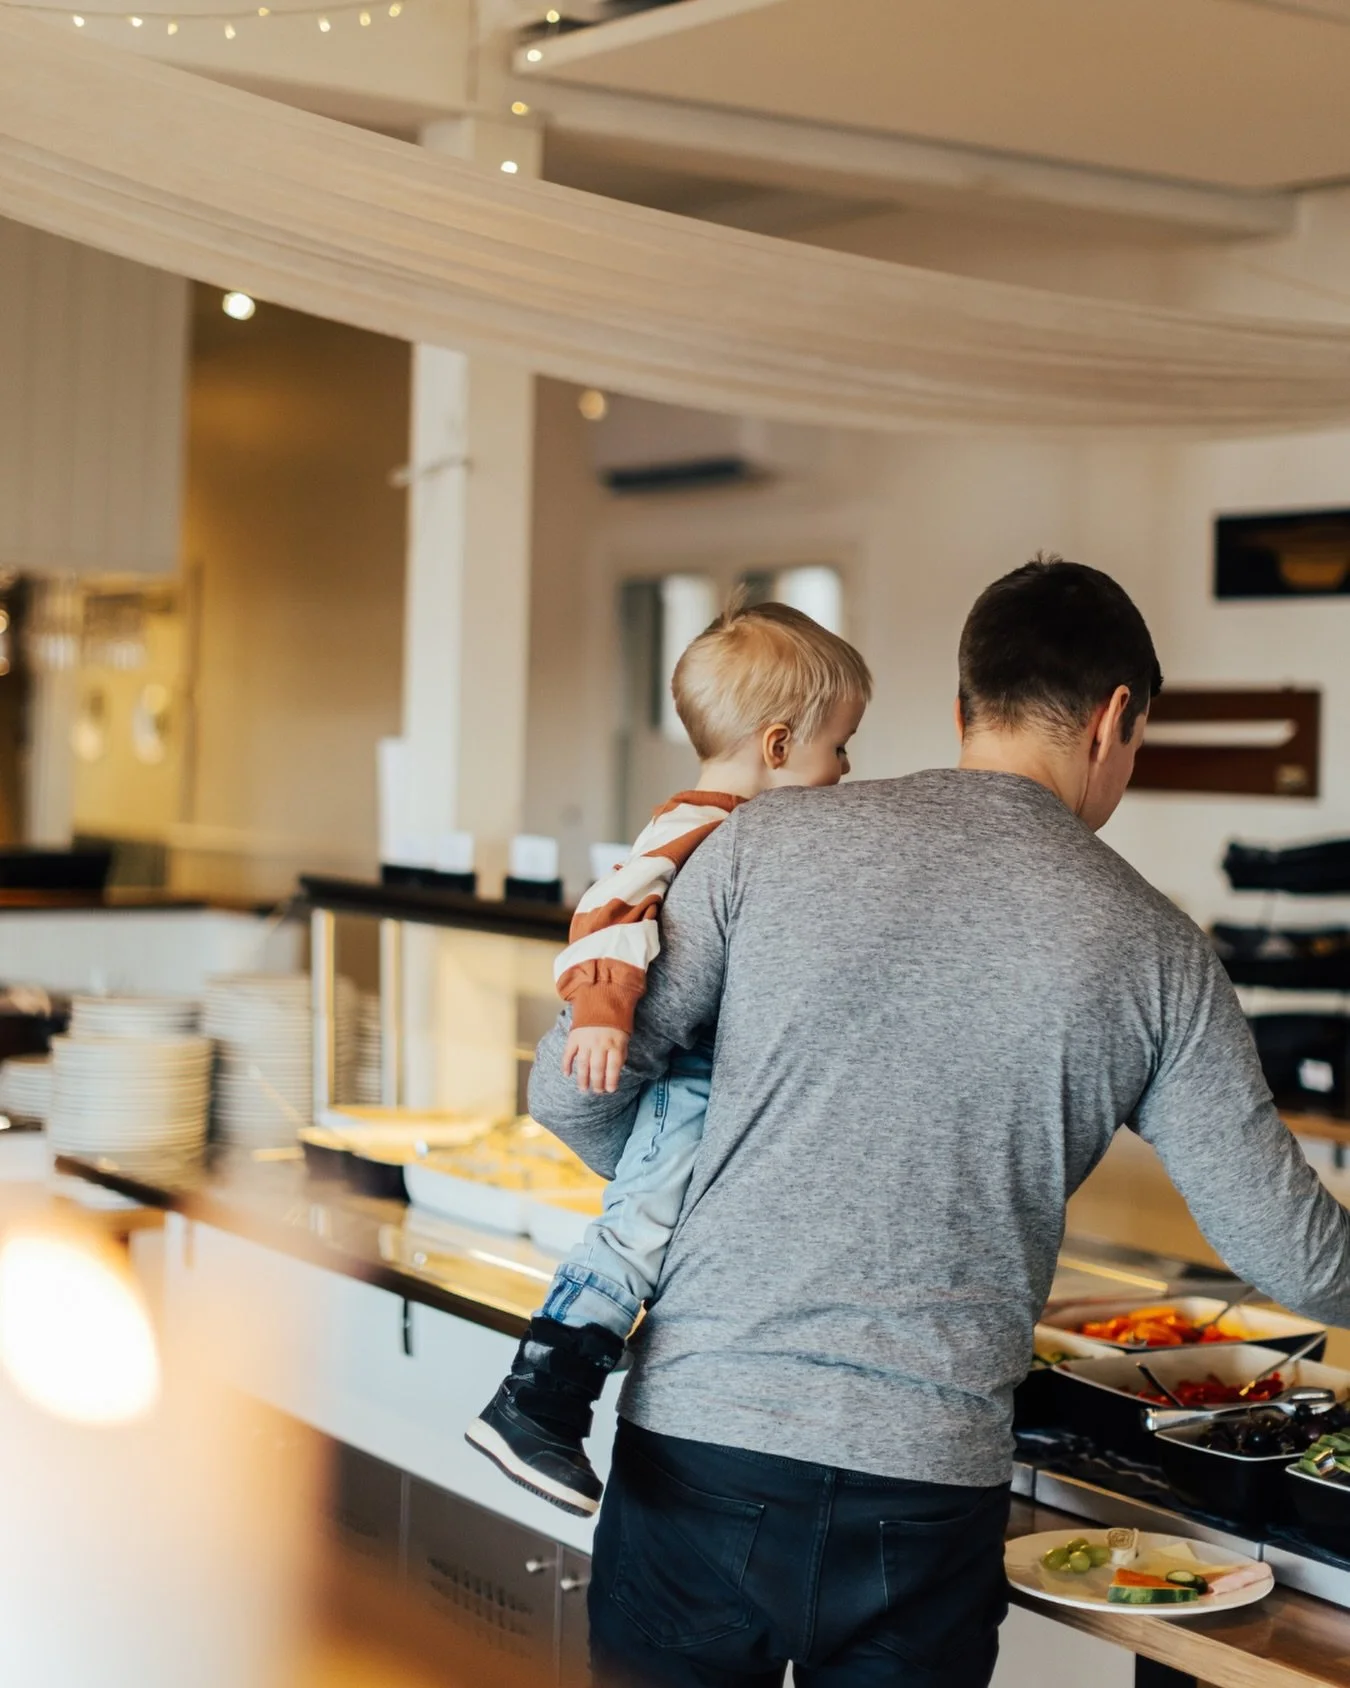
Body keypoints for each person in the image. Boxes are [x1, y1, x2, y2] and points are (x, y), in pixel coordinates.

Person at [527, 556, 1350, 1688]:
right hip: (923, 1490)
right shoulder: (1158, 949)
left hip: (702, 1445)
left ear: (964, 706)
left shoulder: (758, 847)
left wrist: (723, 1184)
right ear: (1117, 719)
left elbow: (573, 1087)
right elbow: (1285, 1246)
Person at [467, 599, 872, 1517]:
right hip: (686, 1079)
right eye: (841, 746)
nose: (848, 769)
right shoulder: (698, 823)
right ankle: (537, 1403)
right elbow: (610, 910)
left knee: (654, 1235)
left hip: (724, 1077)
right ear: (777, 747)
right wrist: (604, 1013)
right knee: (638, 1232)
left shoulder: (755, 835)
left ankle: (544, 1401)